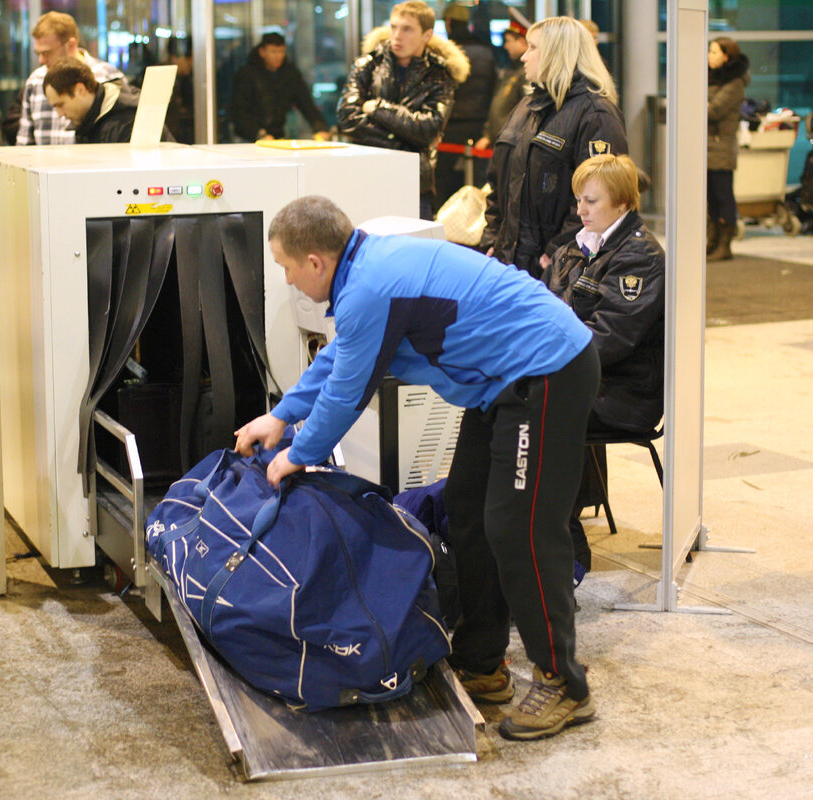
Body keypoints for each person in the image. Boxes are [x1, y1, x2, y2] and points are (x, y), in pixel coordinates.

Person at [235, 195, 599, 741]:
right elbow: (340, 358)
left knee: (520, 530)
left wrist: (296, 454)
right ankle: (482, 662)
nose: (287, 280)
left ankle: (565, 683)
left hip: (545, 371)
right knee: (468, 512)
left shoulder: (372, 284)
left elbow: (347, 395)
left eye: (286, 267)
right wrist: (280, 416)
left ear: (315, 261)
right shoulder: (363, 271)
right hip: (498, 388)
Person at [542, 154, 664, 577]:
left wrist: (540, 360)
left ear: (623, 204)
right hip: (583, 378)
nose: (580, 210)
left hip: (624, 392)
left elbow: (610, 340)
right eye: (579, 200)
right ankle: (533, 533)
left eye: (591, 201)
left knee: (533, 410)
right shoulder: (575, 249)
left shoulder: (640, 258)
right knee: (500, 400)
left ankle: (565, 548)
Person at [479, 16, 626, 280]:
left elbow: (602, 198)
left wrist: (558, 253)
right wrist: (492, 239)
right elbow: (497, 185)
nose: (524, 56)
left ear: (558, 53)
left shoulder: (596, 114)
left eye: (533, 48)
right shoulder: (526, 107)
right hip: (510, 264)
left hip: (557, 273)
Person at [338, 0, 469, 220]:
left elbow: (428, 129)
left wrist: (378, 108)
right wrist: (405, 141)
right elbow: (346, 119)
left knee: (414, 250)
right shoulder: (367, 65)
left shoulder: (440, 74)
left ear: (427, 35)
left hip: (414, 184)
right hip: (366, 176)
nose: (397, 35)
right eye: (394, 27)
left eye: (407, 29)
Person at [15, 11, 123, 146]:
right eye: (38, 53)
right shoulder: (36, 80)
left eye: (47, 52)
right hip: (44, 166)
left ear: (71, 45)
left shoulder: (107, 77)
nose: (41, 60)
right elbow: (25, 141)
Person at [435, 3, 496, 201]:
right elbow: (492, 90)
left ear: (449, 23)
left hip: (450, 127)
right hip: (479, 126)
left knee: (444, 183)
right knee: (475, 187)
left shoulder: (445, 53)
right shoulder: (486, 52)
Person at [229, 32, 331, 142]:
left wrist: (320, 128)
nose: (277, 56)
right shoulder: (247, 74)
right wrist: (257, 133)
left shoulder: (289, 74)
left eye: (281, 51)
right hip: (248, 137)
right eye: (273, 51)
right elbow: (238, 109)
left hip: (276, 135)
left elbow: (306, 103)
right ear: (262, 52)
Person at [43, 60, 173, 143]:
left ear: (80, 90)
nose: (60, 114)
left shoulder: (127, 122)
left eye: (60, 105)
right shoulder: (90, 121)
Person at [707, 36, 749, 262]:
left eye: (714, 52)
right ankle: (712, 241)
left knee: (723, 196)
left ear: (726, 56)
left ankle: (725, 244)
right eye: (709, 52)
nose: (709, 57)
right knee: (711, 198)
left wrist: (702, 104)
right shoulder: (709, 78)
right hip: (707, 147)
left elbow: (714, 111)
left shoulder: (735, 82)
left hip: (720, 147)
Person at [474, 21, 529, 153]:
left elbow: (525, 112)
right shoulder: (512, 72)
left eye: (508, 41)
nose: (505, 46)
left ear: (521, 41)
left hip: (514, 143)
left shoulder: (526, 74)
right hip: (502, 141)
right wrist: (488, 134)